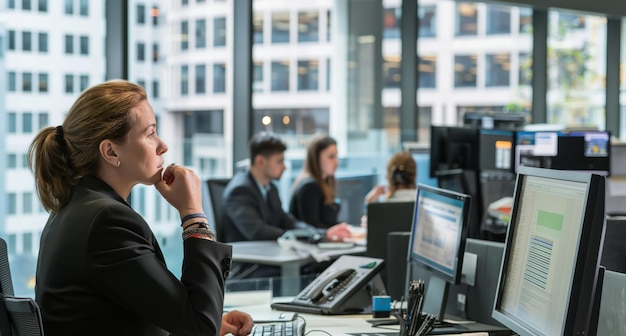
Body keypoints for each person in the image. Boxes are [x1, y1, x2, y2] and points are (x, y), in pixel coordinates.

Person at [28, 80, 253, 336]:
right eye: (150, 133)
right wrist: (193, 216)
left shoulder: (76, 208)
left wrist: (211, 319)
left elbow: (129, 312)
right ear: (111, 152)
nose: (162, 145)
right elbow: (199, 327)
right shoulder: (107, 221)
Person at [220, 132, 351, 243]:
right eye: (279, 161)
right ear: (260, 161)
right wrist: (295, 235)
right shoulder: (240, 191)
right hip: (248, 264)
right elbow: (257, 232)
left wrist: (321, 234)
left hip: (267, 255)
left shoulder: (270, 188)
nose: (284, 167)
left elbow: (286, 220)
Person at [289, 134, 348, 229]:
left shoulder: (324, 184)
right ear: (316, 158)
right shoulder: (309, 187)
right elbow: (312, 226)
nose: (336, 162)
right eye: (331, 157)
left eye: (336, 156)